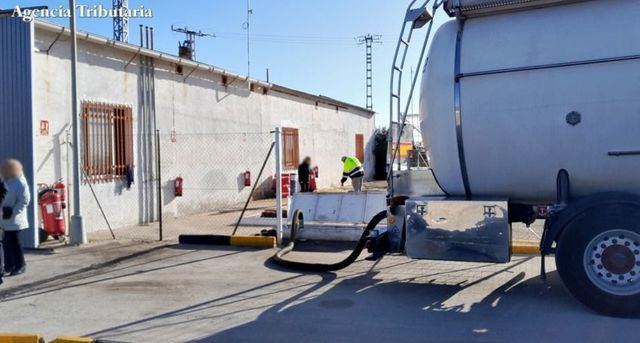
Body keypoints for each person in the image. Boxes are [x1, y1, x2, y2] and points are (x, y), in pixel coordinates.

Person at [1, 159, 31, 277]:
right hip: (4, 218)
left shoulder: (20, 182)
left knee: (14, 242)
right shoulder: (5, 180)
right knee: (6, 243)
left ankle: (20, 265)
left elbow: (24, 201)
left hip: (15, 219)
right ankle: (9, 265)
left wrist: (12, 212)